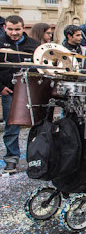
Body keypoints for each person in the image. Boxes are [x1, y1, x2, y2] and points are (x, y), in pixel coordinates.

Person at [0, 16, 40, 174]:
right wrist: (0, 87)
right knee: (12, 126)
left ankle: (37, 156)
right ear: (5, 28)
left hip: (32, 90)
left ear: (23, 28)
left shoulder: (34, 45)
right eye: (10, 29)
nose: (14, 32)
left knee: (38, 124)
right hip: (10, 90)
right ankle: (11, 158)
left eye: (17, 29)